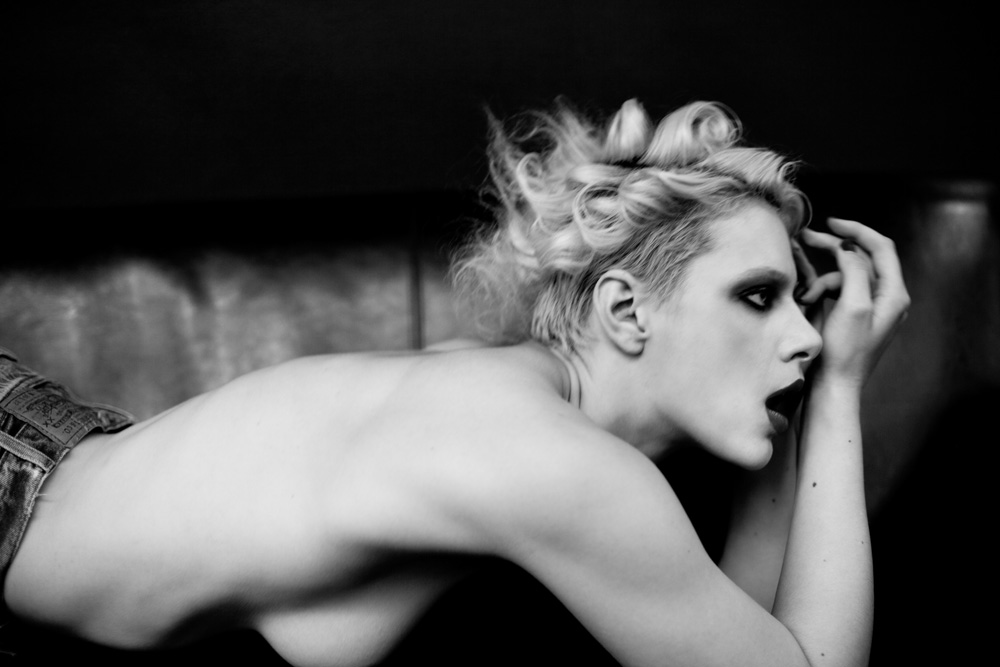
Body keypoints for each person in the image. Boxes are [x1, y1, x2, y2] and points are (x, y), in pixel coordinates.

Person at [0, 98, 909, 667]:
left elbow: (739, 633)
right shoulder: (554, 462)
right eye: (758, 296)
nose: (806, 333)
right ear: (628, 309)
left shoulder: (525, 410)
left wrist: (793, 402)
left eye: (799, 305)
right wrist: (839, 390)